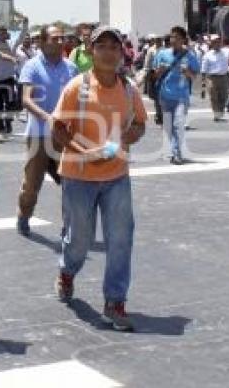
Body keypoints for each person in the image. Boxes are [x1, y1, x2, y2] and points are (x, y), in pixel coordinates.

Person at [51, 25, 147, 332]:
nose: (108, 52)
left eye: (114, 47)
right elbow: (58, 131)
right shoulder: (76, 88)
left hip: (117, 176)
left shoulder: (130, 90)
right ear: (91, 52)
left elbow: (140, 124)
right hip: (78, 177)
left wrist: (130, 135)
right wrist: (85, 152)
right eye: (101, 46)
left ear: (121, 53)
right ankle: (67, 271)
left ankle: (115, 301)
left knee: (120, 238)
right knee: (80, 240)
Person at [16, 26, 78, 236]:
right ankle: (24, 216)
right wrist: (47, 117)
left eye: (62, 38)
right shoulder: (32, 67)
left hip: (65, 135)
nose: (60, 42)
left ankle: (68, 226)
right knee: (32, 185)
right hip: (38, 135)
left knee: (71, 184)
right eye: (55, 38)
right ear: (42, 42)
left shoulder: (71, 68)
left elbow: (80, 98)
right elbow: (25, 99)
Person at [154, 26, 200, 164]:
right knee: (168, 126)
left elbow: (195, 76)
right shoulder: (162, 54)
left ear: (183, 40)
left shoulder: (190, 55)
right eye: (172, 37)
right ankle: (173, 149)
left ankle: (177, 153)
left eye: (177, 37)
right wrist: (159, 71)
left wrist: (188, 73)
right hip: (165, 95)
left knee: (178, 124)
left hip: (181, 96)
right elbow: (155, 74)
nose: (173, 40)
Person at [200, 35, 229, 122]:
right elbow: (203, 69)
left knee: (224, 96)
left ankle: (220, 110)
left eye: (218, 42)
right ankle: (216, 114)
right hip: (212, 78)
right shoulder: (208, 55)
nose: (217, 44)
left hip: (224, 77)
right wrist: (203, 81)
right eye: (215, 42)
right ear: (212, 44)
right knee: (214, 97)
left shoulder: (226, 52)